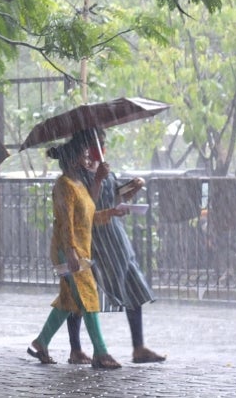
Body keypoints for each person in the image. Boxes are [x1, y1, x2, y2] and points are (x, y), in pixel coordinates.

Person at [64, 127, 167, 364]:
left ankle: (139, 347)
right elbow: (87, 205)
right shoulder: (77, 176)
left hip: (116, 237)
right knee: (83, 293)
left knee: (134, 286)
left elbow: (116, 196)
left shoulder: (105, 170)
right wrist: (98, 179)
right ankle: (76, 348)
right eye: (96, 144)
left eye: (102, 143)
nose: (100, 148)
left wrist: (133, 187)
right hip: (95, 239)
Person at [27, 129, 124, 369]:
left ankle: (40, 343)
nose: (89, 159)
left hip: (81, 249)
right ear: (73, 159)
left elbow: (88, 216)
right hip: (69, 250)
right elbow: (66, 222)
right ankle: (101, 352)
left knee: (69, 301)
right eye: (84, 155)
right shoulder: (64, 186)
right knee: (89, 296)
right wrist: (70, 251)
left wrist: (110, 212)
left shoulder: (78, 184)